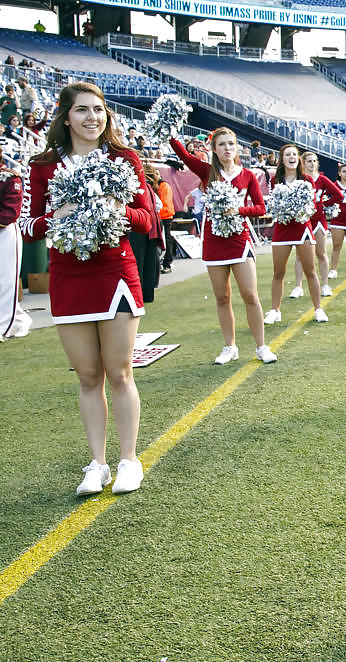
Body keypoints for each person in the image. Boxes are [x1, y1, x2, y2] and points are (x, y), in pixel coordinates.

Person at [20, 82, 155, 495]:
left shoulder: (124, 158)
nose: (93, 117)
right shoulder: (43, 166)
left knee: (119, 373)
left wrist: (117, 209)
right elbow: (27, 229)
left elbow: (148, 220)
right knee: (88, 376)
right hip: (68, 277)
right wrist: (59, 215)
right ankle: (96, 464)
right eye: (82, 110)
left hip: (115, 274)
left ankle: (129, 459)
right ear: (65, 117)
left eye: (99, 110)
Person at [169, 128, 277, 365]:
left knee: (250, 295)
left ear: (237, 147)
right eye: (222, 145)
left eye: (231, 144)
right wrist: (169, 133)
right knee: (222, 297)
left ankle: (261, 346)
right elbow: (184, 157)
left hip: (239, 241)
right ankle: (230, 347)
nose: (227, 148)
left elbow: (260, 207)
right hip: (214, 241)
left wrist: (237, 210)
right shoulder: (207, 172)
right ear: (214, 150)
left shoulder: (248, 175)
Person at [262, 144, 327, 325]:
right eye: (287, 155)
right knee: (278, 272)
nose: (291, 157)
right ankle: (275, 310)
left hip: (302, 229)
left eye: (294, 155)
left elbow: (311, 206)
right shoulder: (276, 180)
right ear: (282, 159)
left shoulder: (307, 179)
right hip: (282, 229)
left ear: (298, 159)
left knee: (310, 271)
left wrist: (298, 209)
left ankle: (318, 309)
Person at [0, 147, 31, 340]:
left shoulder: (9, 177)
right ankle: (18, 320)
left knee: (5, 281)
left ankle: (2, 327)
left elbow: (10, 214)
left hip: (4, 233)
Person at [295, 151, 333, 296]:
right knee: (300, 255)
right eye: (309, 161)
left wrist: (324, 204)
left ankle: (325, 285)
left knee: (321, 253)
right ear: (303, 163)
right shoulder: (300, 179)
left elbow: (338, 195)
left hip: (319, 220)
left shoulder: (322, 179)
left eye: (314, 161)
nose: (312, 164)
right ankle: (298, 286)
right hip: (303, 220)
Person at [129, 163, 166, 303]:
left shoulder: (136, 187)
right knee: (151, 258)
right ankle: (148, 294)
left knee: (139, 260)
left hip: (139, 225)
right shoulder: (149, 187)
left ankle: (138, 294)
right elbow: (158, 205)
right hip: (153, 224)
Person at [155, 166, 176, 274]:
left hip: (165, 217)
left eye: (157, 173)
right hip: (160, 217)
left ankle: (167, 263)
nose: (155, 175)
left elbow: (165, 204)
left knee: (166, 240)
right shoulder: (156, 186)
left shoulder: (164, 186)